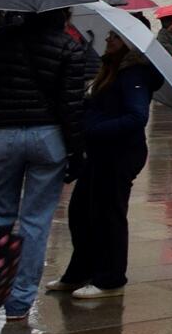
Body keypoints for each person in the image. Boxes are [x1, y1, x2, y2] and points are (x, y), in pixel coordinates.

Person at [0, 7, 88, 320]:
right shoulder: (69, 46)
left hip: (5, 131)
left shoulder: (4, 39)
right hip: (48, 135)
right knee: (35, 221)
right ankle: (19, 301)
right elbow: (71, 106)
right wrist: (76, 151)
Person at [48, 24, 161, 299]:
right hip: (100, 153)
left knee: (109, 214)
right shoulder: (112, 69)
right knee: (81, 211)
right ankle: (80, 271)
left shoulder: (134, 74)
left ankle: (110, 279)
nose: (108, 39)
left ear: (129, 43)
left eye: (115, 36)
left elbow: (137, 117)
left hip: (120, 154)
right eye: (110, 34)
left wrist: (94, 128)